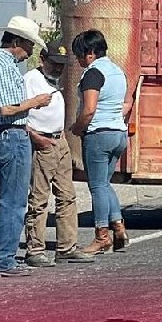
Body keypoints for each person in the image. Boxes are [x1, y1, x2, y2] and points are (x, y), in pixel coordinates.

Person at [0, 17, 53, 278]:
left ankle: (3, 255)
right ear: (16, 42)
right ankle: (3, 258)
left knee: (9, 197)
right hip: (9, 134)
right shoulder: (3, 66)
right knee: (14, 200)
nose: (31, 51)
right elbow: (6, 109)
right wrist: (35, 101)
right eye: (29, 44)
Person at [24, 41, 95, 267]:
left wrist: (62, 137)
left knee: (67, 196)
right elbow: (17, 114)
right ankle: (35, 250)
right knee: (39, 199)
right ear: (42, 60)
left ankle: (66, 247)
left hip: (59, 140)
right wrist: (36, 137)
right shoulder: (30, 81)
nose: (58, 69)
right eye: (54, 63)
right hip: (42, 142)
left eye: (61, 65)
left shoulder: (55, 81)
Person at [69, 29, 131, 255]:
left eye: (79, 55)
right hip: (118, 133)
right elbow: (127, 102)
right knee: (104, 184)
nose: (78, 60)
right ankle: (119, 227)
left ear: (91, 52)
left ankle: (101, 236)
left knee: (96, 187)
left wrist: (77, 127)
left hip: (98, 135)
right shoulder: (118, 72)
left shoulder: (93, 74)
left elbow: (89, 109)